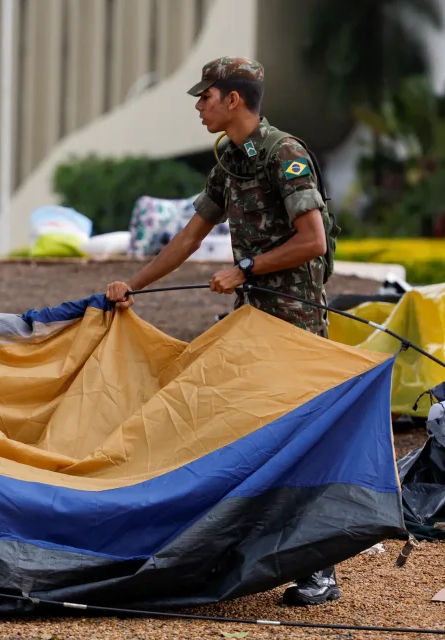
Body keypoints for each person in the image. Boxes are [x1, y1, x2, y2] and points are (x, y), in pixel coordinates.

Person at [105, 56, 342, 606]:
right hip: (251, 319)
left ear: (233, 99)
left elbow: (313, 241)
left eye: (205, 96)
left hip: (296, 323)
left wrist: (248, 269)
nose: (198, 106)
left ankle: (319, 569)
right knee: (242, 432)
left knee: (300, 440)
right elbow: (190, 237)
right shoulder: (230, 161)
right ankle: (245, 550)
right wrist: (132, 283)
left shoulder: (286, 155)